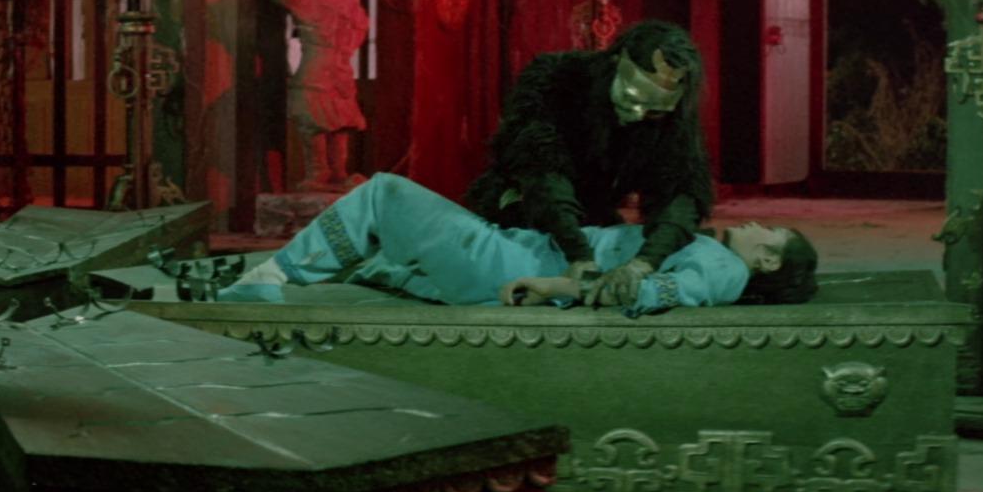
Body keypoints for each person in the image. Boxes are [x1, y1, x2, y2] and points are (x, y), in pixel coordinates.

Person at [221, 173, 817, 311]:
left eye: (770, 232)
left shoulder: (724, 270)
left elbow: (650, 291)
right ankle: (285, 274)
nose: (756, 226)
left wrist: (555, 284)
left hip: (513, 265)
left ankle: (275, 277)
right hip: (518, 253)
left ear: (768, 259)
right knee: (383, 244)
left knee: (385, 193)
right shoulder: (713, 254)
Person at [462, 20, 715, 311]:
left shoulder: (673, 120)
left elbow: (682, 190)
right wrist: (577, 252)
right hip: (523, 203)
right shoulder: (557, 78)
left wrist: (644, 263)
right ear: (616, 62)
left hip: (594, 215)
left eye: (654, 111)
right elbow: (540, 166)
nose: (637, 114)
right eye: (631, 97)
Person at [268, 0, 369, 192]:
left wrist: (345, 49)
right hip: (315, 69)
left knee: (341, 124)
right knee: (313, 121)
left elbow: (361, 26)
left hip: (340, 70)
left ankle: (338, 172)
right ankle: (318, 172)